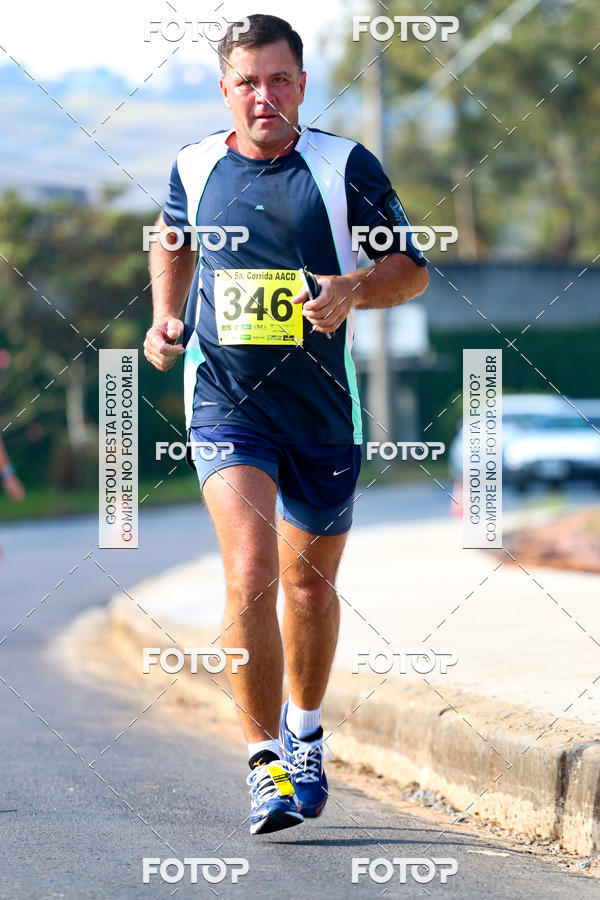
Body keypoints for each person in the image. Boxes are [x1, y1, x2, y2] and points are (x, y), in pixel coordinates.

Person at [144, 13, 428, 835]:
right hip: (227, 403)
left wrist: (352, 289)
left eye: (279, 79)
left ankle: (306, 732)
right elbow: (172, 238)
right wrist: (167, 317)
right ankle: (264, 761)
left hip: (321, 413)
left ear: (301, 84)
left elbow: (409, 271)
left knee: (309, 585)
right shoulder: (195, 166)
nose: (263, 96)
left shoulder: (344, 167)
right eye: (247, 82)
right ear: (225, 90)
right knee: (253, 571)